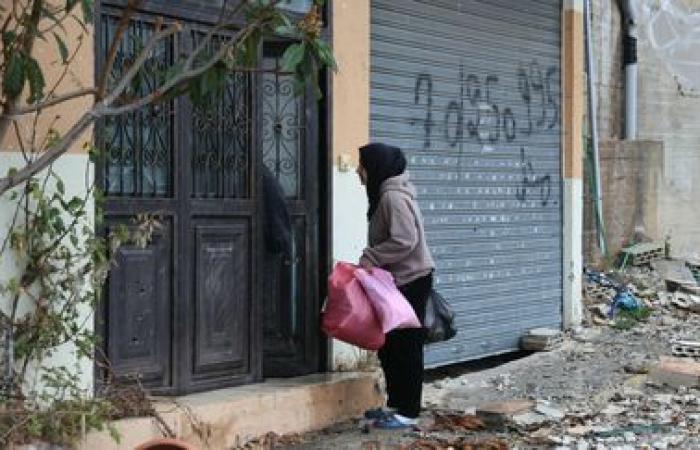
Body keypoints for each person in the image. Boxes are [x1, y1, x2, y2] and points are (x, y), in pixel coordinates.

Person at [356, 143, 435, 429]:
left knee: (406, 346)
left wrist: (371, 257)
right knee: (389, 346)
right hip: (397, 279)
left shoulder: (392, 197)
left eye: (362, 165)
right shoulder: (385, 193)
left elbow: (404, 240)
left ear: (375, 167)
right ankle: (396, 404)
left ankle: (408, 411)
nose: (357, 171)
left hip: (411, 279)